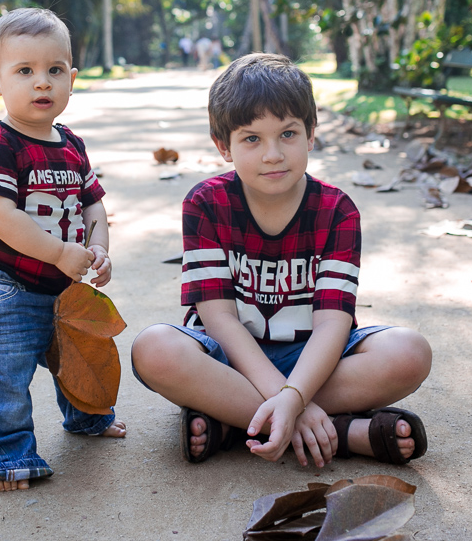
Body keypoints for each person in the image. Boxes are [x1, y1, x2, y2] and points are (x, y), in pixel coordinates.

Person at [131, 53, 432, 468]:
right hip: (227, 357)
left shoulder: (337, 211)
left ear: (310, 134)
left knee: (409, 353)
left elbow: (333, 323)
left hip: (314, 359)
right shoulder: (205, 204)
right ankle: (341, 433)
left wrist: (294, 394)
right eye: (252, 139)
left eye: (287, 133)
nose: (273, 154)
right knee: (154, 350)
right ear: (224, 147)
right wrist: (291, 401)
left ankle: (235, 421)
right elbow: (219, 318)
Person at [0, 7, 126, 492]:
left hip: (64, 284)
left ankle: (87, 416)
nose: (42, 83)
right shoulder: (0, 146)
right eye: (25, 71)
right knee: (6, 373)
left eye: (54, 70)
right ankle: (5, 454)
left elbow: (93, 206)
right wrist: (59, 253)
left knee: (78, 353)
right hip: (6, 286)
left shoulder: (72, 144)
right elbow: (0, 216)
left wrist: (96, 248)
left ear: (72, 78)